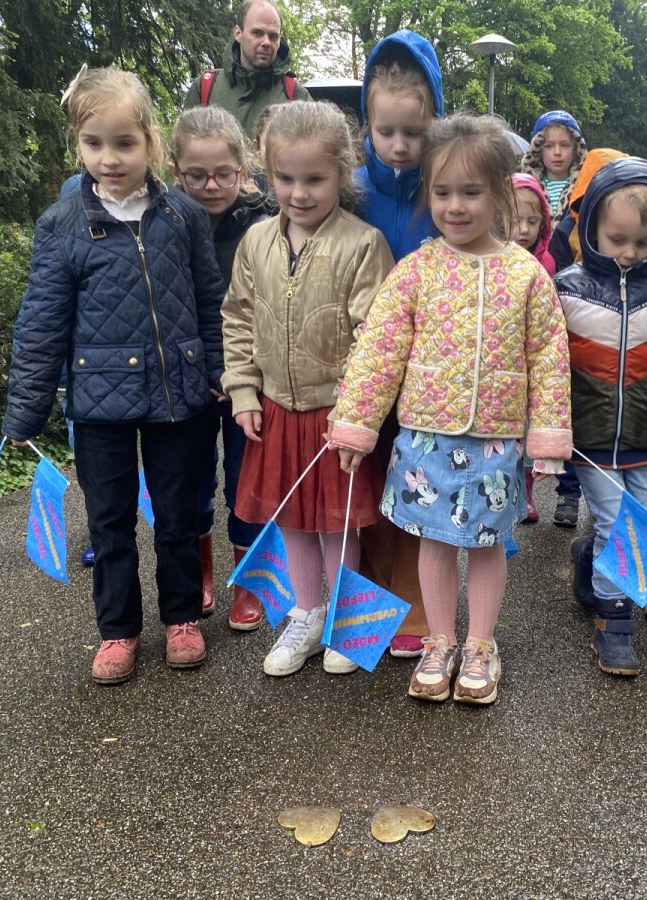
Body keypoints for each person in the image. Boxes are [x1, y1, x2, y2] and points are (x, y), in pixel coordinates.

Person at [329, 114, 572, 706]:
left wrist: (547, 439)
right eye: (442, 192)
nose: (456, 206)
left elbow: (548, 356)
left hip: (495, 439)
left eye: (471, 192)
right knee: (434, 542)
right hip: (425, 438)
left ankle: (482, 643)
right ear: (426, 195)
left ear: (500, 195)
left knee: (486, 543)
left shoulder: (526, 276)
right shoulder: (417, 270)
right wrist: (357, 425)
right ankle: (440, 639)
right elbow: (380, 351)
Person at [2, 67, 227, 685]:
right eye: (94, 144)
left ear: (149, 140)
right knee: (110, 522)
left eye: (124, 143)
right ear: (78, 145)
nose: (110, 158)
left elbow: (211, 301)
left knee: (179, 513)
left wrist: (218, 371)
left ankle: (182, 618)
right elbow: (41, 322)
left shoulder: (180, 215)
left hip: (179, 396)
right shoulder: (63, 224)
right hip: (99, 404)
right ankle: (118, 631)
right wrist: (24, 413)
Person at [221, 101, 394, 677]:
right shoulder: (255, 241)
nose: (299, 193)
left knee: (337, 521)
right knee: (293, 518)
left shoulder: (364, 243)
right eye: (286, 178)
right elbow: (239, 319)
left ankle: (345, 618)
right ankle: (306, 612)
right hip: (275, 410)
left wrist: (358, 412)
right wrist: (243, 391)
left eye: (315, 179)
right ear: (266, 176)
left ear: (342, 175)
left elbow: (378, 335)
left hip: (336, 415)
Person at [556, 157, 647, 677]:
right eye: (617, 238)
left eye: (642, 243)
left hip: (646, 435)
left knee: (641, 524)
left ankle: (590, 565)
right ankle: (614, 623)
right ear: (592, 223)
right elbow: (547, 361)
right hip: (589, 436)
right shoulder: (566, 289)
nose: (628, 252)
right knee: (620, 523)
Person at [352, 29, 443, 659]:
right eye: (387, 131)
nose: (400, 145)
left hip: (429, 363)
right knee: (365, 481)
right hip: (362, 357)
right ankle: (367, 595)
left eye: (413, 131)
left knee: (418, 482)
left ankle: (413, 596)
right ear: (368, 122)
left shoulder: (446, 187)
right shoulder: (352, 188)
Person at [168, 105, 271, 630]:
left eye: (223, 174)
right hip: (185, 382)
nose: (211, 185)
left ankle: (247, 582)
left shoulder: (264, 223)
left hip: (248, 380)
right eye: (197, 175)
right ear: (175, 172)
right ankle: (202, 572)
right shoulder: (163, 223)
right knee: (190, 484)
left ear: (243, 169)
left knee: (245, 483)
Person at [546, 147, 629, 528]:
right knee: (573, 425)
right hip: (575, 336)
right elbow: (558, 283)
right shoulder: (567, 230)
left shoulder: (632, 231)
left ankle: (605, 514)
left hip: (616, 343)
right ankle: (568, 494)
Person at [182, 1, 311, 137]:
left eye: (273, 36)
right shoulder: (205, 88)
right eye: (257, 33)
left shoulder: (296, 96)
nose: (266, 42)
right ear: (238, 33)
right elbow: (183, 152)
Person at [510, 173, 557, 525]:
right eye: (515, 220)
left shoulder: (547, 263)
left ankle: (525, 492)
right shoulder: (491, 257)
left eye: (532, 221)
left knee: (527, 431)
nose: (523, 229)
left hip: (531, 360)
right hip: (504, 361)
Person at [520, 111, 587, 228]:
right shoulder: (526, 188)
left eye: (565, 145)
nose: (557, 152)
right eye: (549, 146)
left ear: (576, 148)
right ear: (538, 149)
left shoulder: (584, 188)